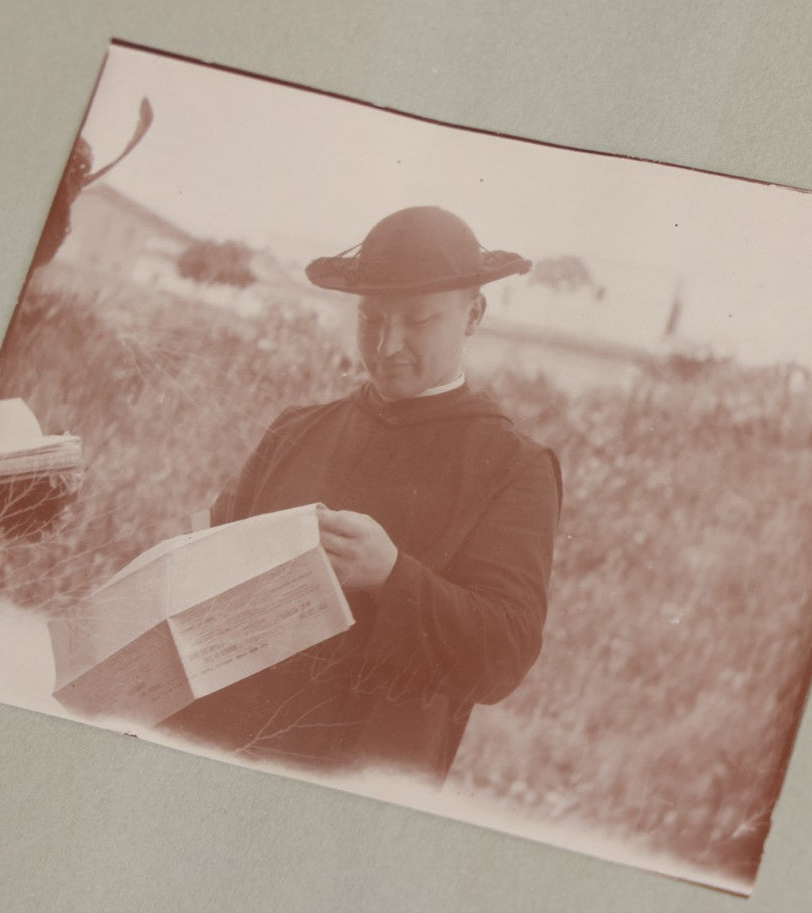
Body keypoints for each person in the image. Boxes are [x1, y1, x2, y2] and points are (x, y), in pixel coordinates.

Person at [158, 206, 562, 785]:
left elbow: (505, 655)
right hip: (220, 745)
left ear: (473, 314)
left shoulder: (514, 467)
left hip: (360, 778)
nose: (388, 344)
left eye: (418, 320)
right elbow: (212, 560)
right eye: (371, 318)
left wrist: (393, 576)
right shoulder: (297, 429)